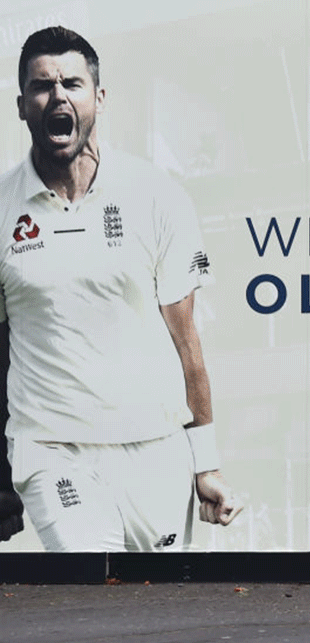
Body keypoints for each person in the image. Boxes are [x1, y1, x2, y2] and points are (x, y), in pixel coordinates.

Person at [0, 26, 242, 551]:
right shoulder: (1, 208)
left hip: (155, 450)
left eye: (72, 83)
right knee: (89, 574)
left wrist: (208, 463)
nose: (58, 96)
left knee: (155, 612)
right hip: (52, 450)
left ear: (99, 98)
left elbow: (187, 344)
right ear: (22, 106)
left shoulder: (156, 195)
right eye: (42, 86)